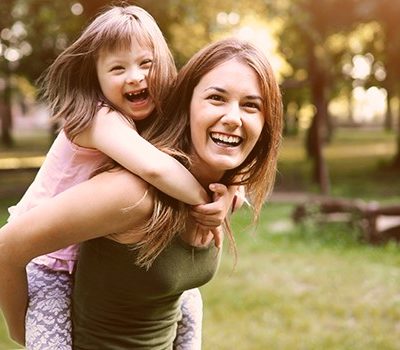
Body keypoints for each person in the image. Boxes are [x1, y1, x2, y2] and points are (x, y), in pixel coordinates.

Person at [0, 37, 283, 349]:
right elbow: (6, 247)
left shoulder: (219, 190)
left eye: (250, 105)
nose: (233, 117)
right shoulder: (134, 194)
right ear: (186, 103)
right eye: (216, 98)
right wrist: (20, 330)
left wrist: (230, 192)